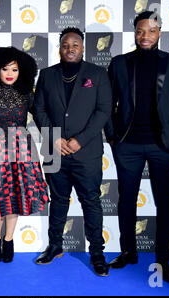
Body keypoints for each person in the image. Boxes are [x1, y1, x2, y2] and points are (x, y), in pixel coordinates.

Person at [105, 11, 169, 284]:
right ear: (135, 33)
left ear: (160, 33)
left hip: (163, 145)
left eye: (151, 31)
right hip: (127, 145)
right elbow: (108, 105)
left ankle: (164, 261)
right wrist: (112, 136)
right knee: (126, 201)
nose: (145, 36)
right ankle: (128, 252)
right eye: (140, 31)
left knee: (165, 203)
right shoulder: (119, 64)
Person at [32, 27, 112, 277]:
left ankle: (97, 253)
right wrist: (54, 138)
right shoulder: (46, 74)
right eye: (66, 45)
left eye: (75, 44)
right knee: (57, 201)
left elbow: (103, 110)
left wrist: (80, 140)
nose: (70, 49)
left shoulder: (97, 74)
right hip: (55, 151)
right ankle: (55, 246)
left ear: (83, 48)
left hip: (86, 153)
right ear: (60, 48)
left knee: (91, 201)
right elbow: (39, 109)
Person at [0, 47, 49, 263]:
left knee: (14, 196)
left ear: (21, 71)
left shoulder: (26, 92)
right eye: (4, 68)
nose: (9, 73)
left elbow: (43, 114)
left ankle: (9, 239)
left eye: (14, 69)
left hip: (21, 148)